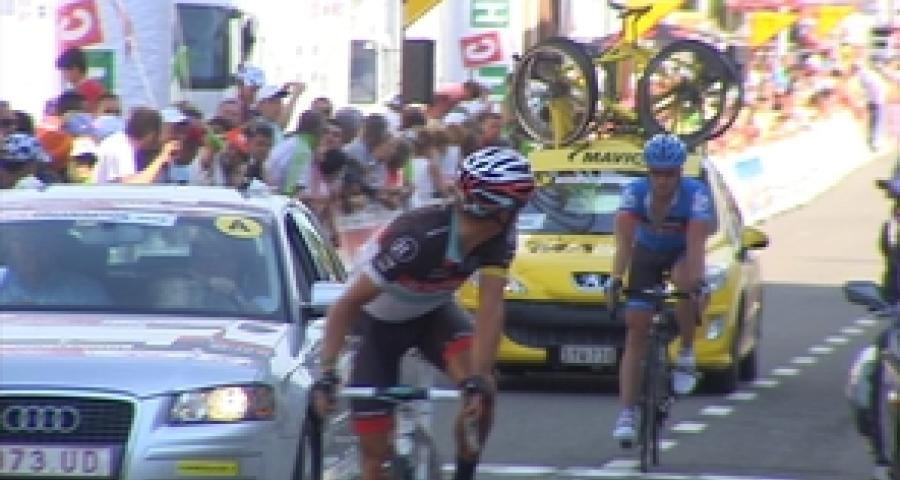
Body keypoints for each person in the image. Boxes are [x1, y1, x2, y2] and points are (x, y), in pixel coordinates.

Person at [311, 147, 535, 480]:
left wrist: (477, 379)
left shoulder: (500, 237)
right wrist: (327, 373)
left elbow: (491, 308)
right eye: (519, 206)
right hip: (376, 326)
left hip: (433, 315)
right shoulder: (419, 237)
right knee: (375, 458)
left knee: (483, 391)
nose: (519, 215)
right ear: (498, 210)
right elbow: (346, 304)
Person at [608, 134, 712, 444]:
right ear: (648, 172)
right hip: (647, 254)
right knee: (636, 330)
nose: (662, 181)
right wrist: (616, 278)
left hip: (681, 253)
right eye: (656, 173)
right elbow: (624, 244)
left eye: (669, 174)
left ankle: (686, 352)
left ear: (680, 172)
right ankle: (627, 413)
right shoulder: (634, 193)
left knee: (685, 282)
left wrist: (699, 283)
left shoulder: (695, 194)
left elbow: (696, 245)